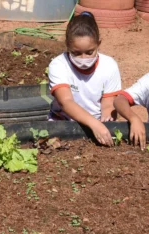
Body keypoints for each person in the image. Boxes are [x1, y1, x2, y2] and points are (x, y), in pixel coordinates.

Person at [48, 12, 121, 146]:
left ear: (99, 44)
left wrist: (105, 123)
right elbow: (66, 102)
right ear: (67, 45)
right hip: (62, 123)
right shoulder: (58, 65)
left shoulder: (109, 66)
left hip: (96, 126)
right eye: (76, 53)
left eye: (89, 52)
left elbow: (108, 104)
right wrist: (94, 124)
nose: (83, 59)